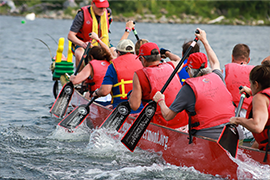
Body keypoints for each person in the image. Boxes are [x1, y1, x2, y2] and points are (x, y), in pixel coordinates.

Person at [153, 28, 235, 141]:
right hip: (231, 132)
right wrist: (205, 41)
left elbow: (167, 116)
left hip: (207, 136)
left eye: (187, 70)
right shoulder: (217, 76)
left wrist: (160, 101)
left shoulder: (189, 88)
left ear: (190, 69)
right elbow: (215, 62)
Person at [128, 42, 188, 129]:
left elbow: (134, 106)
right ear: (159, 57)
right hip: (183, 122)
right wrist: (167, 53)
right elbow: (179, 60)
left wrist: (131, 96)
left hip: (161, 124)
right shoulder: (171, 66)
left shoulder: (139, 74)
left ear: (143, 59)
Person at [91, 39, 143, 114]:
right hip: (142, 110)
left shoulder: (113, 66)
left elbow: (105, 91)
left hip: (121, 110)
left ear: (118, 52)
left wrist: (96, 93)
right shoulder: (142, 62)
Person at [230, 61, 270, 153]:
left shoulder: (259, 98)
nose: (250, 86)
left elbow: (257, 126)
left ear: (256, 84)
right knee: (256, 143)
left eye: (251, 84)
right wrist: (252, 92)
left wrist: (237, 120)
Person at [69, 33, 113, 106]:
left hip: (97, 99)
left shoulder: (91, 65)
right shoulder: (110, 62)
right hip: (110, 99)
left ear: (91, 57)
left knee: (86, 94)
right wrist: (98, 40)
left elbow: (75, 81)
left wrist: (72, 78)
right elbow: (108, 51)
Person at [67, 0, 111, 72]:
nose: (103, 10)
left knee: (114, 52)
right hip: (84, 43)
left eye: (104, 7)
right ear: (92, 4)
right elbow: (70, 35)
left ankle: (109, 77)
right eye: (100, 7)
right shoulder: (81, 14)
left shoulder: (108, 13)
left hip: (101, 43)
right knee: (79, 54)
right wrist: (83, 44)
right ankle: (81, 79)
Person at [223, 44, 255, 140]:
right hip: (249, 126)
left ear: (232, 57)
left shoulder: (225, 70)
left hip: (229, 120)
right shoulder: (256, 73)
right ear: (248, 60)